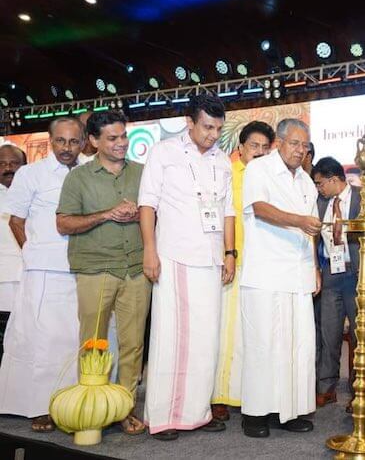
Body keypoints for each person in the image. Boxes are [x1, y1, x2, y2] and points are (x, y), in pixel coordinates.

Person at [139, 94, 235, 441]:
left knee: (206, 338)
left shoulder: (222, 160)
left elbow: (228, 211)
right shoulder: (164, 153)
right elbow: (147, 205)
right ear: (189, 122)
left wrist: (230, 252)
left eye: (218, 129)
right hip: (175, 255)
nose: (213, 134)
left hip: (210, 258)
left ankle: (197, 411)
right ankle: (164, 416)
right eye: (207, 127)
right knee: (173, 337)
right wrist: (150, 251)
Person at [56, 110, 151, 435]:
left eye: (123, 136)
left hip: (136, 269)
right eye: (112, 138)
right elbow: (63, 222)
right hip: (96, 268)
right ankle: (92, 409)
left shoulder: (142, 173)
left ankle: (125, 407)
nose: (121, 143)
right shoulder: (78, 178)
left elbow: (159, 215)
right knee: (93, 343)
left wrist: (142, 214)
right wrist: (107, 214)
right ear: (93, 141)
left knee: (133, 345)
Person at [239, 118, 321, 438]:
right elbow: (260, 209)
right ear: (279, 143)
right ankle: (255, 415)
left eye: (305, 145)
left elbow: (311, 231)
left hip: (298, 274)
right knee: (263, 346)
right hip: (266, 273)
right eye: (294, 144)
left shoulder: (306, 182)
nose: (300, 151)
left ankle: (288, 412)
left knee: (297, 347)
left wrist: (314, 266)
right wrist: (299, 220)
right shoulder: (259, 170)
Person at [0, 117, 83, 432]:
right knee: (41, 342)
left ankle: (72, 406)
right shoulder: (30, 174)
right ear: (50, 141)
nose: (67, 148)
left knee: (71, 341)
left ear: (83, 141)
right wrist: (31, 253)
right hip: (42, 270)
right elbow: (15, 221)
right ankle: (39, 407)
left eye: (73, 141)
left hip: (79, 269)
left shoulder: (88, 171)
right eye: (60, 141)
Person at [211, 120, 275, 421]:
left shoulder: (272, 180)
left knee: (255, 333)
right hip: (234, 262)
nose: (259, 153)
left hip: (265, 267)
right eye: (254, 147)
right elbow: (226, 219)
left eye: (265, 148)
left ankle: (249, 393)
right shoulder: (229, 175)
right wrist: (229, 254)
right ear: (241, 148)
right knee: (227, 330)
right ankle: (220, 395)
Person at [311, 157, 365, 415]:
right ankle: (327, 388)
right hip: (330, 274)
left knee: (360, 336)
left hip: (355, 273)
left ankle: (360, 391)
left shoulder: (364, 196)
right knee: (329, 333)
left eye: (320, 183)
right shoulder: (320, 203)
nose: (319, 188)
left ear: (334, 179)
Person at [0, 144, 26, 360]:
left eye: (14, 163)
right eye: (2, 164)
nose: (8, 168)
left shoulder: (35, 193)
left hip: (29, 277)